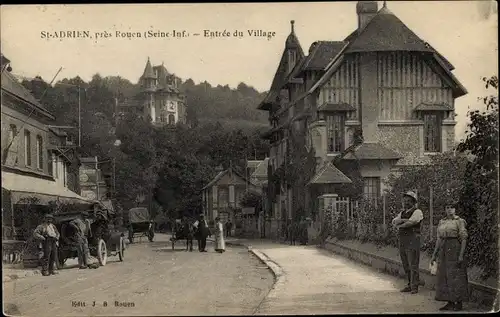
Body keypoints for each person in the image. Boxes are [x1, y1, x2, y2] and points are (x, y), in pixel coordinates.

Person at [431, 201, 469, 311]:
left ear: (455, 209)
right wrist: (434, 254)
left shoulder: (460, 221)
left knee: (456, 275)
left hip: (454, 248)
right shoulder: (442, 222)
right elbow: (439, 239)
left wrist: (461, 255)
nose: (449, 209)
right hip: (443, 249)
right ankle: (450, 302)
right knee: (444, 275)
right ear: (445, 209)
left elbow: (463, 238)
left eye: (452, 207)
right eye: (447, 207)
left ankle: (459, 302)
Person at [391, 190, 424, 294]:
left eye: (409, 201)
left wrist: (402, 223)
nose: (406, 203)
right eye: (405, 201)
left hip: (413, 239)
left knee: (413, 263)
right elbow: (394, 221)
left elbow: (412, 222)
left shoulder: (417, 212)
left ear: (414, 202)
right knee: (405, 264)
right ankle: (410, 284)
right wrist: (403, 221)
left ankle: (415, 286)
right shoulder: (402, 212)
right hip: (403, 240)